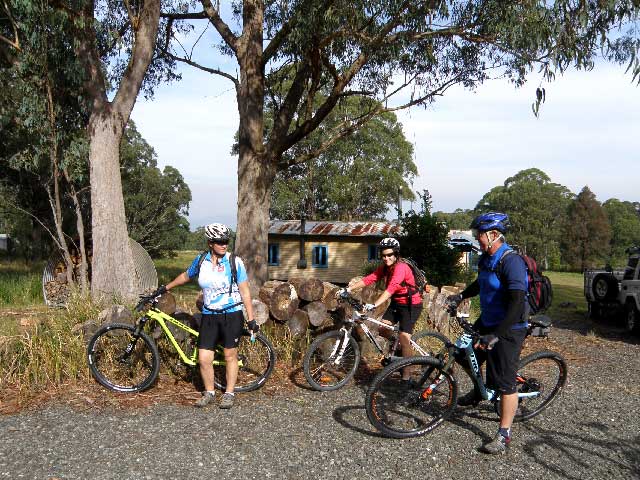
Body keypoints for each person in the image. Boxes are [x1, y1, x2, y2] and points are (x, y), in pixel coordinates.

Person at [446, 212, 529, 454]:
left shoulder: (511, 261)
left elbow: (516, 304)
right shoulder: (485, 258)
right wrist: (461, 295)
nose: (476, 239)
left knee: (504, 383)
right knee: (463, 355)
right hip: (487, 321)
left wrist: (497, 335)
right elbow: (480, 283)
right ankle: (479, 392)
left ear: (494, 235)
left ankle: (504, 434)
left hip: (510, 327)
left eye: (479, 235)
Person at [158, 223, 256, 410]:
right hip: (209, 315)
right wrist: (165, 288)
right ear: (210, 242)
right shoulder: (201, 260)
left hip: (231, 314)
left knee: (230, 355)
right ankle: (209, 392)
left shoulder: (234, 262)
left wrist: (251, 319)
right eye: (219, 241)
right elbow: (186, 276)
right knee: (203, 358)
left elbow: (245, 292)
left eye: (226, 241)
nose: (224, 244)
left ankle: (229, 393)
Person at [347, 237, 426, 374]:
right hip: (397, 302)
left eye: (389, 255)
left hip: (410, 305)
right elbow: (369, 278)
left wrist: (374, 304)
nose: (386, 258)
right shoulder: (385, 268)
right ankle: (400, 345)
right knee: (383, 328)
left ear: (396, 254)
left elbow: (391, 289)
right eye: (383, 255)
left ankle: (407, 375)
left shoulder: (402, 268)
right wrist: (349, 289)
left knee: (404, 337)